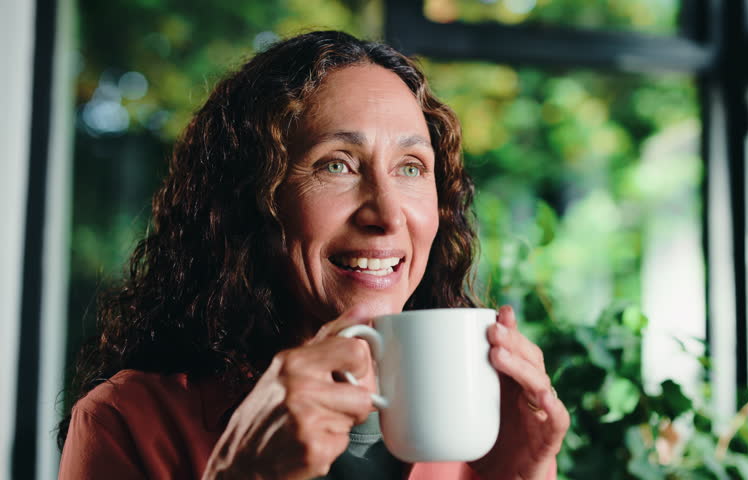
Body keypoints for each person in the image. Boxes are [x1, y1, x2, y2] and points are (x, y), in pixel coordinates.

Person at [58, 30, 569, 479]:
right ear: (250, 199)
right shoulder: (126, 422)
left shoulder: (487, 431)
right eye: (337, 165)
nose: (388, 215)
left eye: (411, 167)